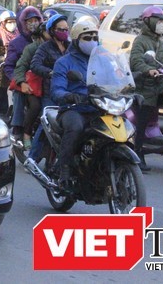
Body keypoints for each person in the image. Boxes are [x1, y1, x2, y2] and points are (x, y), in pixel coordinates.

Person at [50, 20, 102, 187]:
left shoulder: (102, 60)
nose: (92, 40)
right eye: (87, 37)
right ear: (76, 40)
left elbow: (118, 77)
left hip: (98, 107)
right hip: (73, 109)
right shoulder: (64, 62)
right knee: (76, 127)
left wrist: (130, 91)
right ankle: (64, 167)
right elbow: (56, 90)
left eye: (95, 37)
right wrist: (69, 96)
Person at [129, 6, 163, 172]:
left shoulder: (162, 44)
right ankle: (138, 151)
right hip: (145, 89)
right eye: (158, 21)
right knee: (143, 120)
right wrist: (149, 70)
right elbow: (136, 62)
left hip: (161, 89)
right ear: (149, 22)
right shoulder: (140, 41)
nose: (161, 25)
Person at [27, 14, 70, 163]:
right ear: (52, 31)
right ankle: (32, 158)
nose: (64, 32)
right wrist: (51, 73)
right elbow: (35, 65)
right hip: (51, 91)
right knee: (47, 123)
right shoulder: (45, 48)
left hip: (69, 91)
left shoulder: (71, 47)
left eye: (66, 29)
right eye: (60, 29)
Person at [3, 6, 44, 142]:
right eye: (29, 21)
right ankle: (19, 128)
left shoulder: (44, 40)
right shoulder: (17, 43)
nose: (33, 23)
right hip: (24, 82)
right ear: (23, 23)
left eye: (36, 20)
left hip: (42, 80)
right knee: (24, 99)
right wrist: (20, 82)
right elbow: (9, 67)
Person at [13, 18, 51, 149]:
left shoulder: (61, 46)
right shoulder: (31, 48)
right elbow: (20, 67)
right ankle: (26, 134)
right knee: (35, 106)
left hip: (52, 86)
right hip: (33, 86)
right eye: (48, 32)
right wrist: (22, 82)